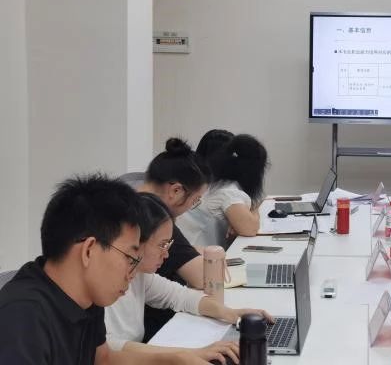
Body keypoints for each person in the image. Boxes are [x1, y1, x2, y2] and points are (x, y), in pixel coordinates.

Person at [0, 174, 207, 364]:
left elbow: (104, 359)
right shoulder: (22, 319)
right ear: (89, 250)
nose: (132, 274)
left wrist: (176, 360)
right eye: (130, 258)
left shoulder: (88, 295)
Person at [106, 193, 272, 363]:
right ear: (135, 242)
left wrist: (232, 314)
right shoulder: (104, 283)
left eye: (169, 245)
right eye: (162, 245)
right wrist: (187, 354)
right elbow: (108, 346)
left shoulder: (140, 275)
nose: (166, 254)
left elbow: (180, 296)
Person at [138, 137, 210, 340]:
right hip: (150, 330)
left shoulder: (130, 192)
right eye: (195, 201)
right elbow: (202, 276)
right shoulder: (152, 217)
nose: (191, 207)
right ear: (176, 190)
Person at [178, 133, 268, 248]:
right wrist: (255, 211)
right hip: (199, 253)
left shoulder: (213, 182)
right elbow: (250, 229)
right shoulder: (229, 192)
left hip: (187, 248)